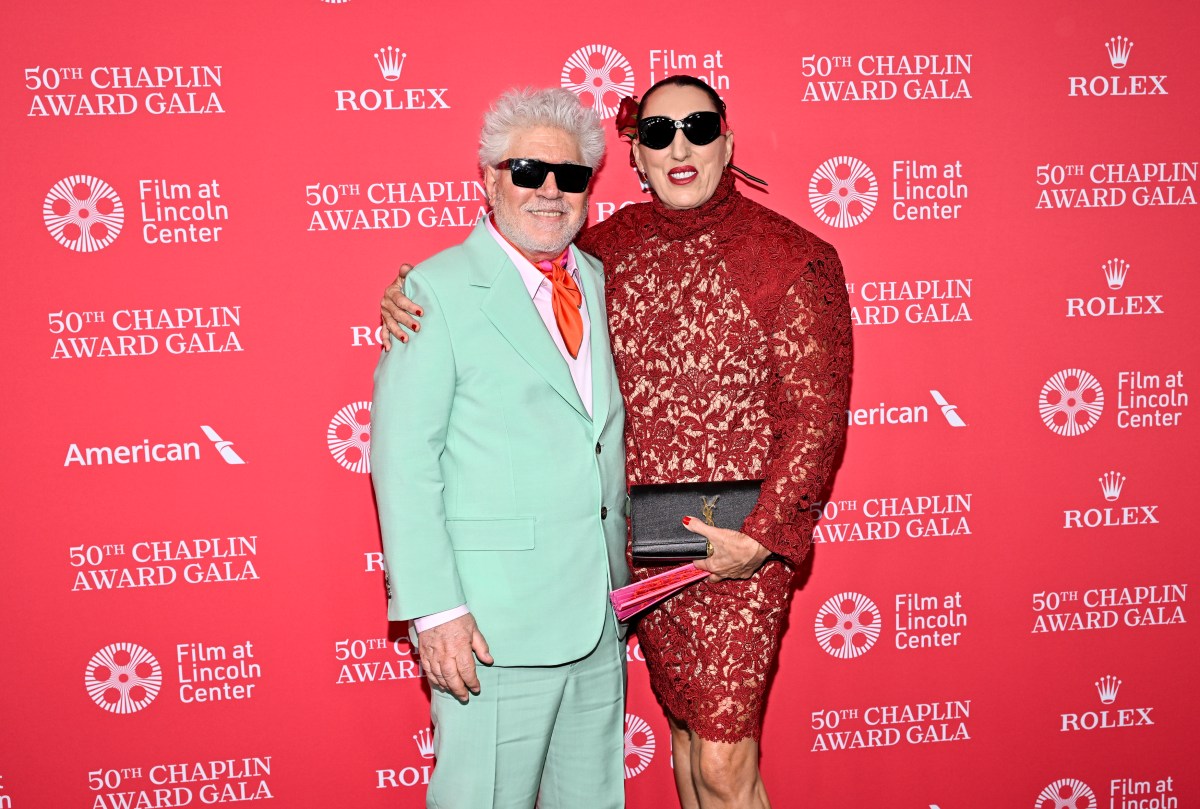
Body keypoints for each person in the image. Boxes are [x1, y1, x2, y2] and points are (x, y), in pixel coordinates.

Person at [381, 76, 852, 809]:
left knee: (723, 766)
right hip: (636, 575)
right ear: (637, 155)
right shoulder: (600, 254)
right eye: (659, 132)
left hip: (733, 565)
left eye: (698, 127)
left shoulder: (785, 258)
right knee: (690, 755)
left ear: (728, 142)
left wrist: (761, 538)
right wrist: (408, 289)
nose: (681, 145)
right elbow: (409, 450)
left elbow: (817, 421)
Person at [370, 87, 629, 809]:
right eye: (527, 171)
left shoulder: (602, 281)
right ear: (489, 180)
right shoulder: (436, 290)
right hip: (489, 629)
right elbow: (403, 461)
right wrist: (433, 611)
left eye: (570, 176)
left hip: (598, 618)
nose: (550, 191)